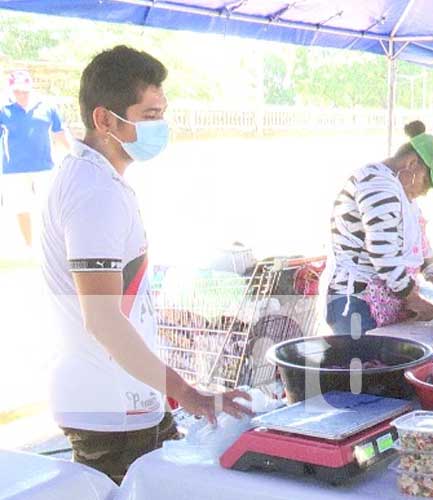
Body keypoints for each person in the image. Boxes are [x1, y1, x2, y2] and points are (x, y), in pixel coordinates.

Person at [40, 46, 251, 484]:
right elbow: (102, 319)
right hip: (110, 410)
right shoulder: (93, 193)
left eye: (162, 113)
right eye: (149, 114)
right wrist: (187, 393)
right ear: (104, 119)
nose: (160, 127)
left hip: (128, 399)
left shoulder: (99, 180)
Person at [324, 121, 433, 336]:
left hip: (379, 303)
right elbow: (383, 253)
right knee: (368, 368)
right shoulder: (377, 183)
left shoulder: (402, 196)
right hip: (355, 304)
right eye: (426, 183)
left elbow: (424, 252)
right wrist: (414, 300)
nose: (424, 192)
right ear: (412, 164)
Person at [0, 70, 71, 247]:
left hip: (44, 167)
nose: (21, 95)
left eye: (25, 91)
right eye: (17, 91)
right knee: (21, 208)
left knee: (49, 208)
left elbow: (60, 135)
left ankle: (52, 245)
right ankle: (29, 246)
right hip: (13, 169)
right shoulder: (3, 110)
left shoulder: (47, 107)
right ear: (10, 90)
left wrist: (75, 155)